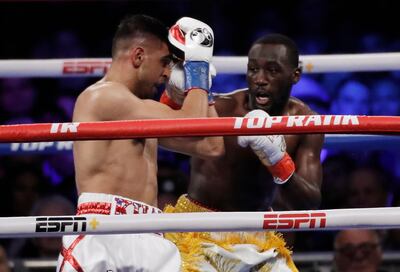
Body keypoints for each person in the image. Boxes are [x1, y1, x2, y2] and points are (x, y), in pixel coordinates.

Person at [57, 15, 224, 272]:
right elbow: (192, 122)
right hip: (104, 230)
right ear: (138, 57)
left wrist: (205, 92)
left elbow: (211, 146)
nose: (168, 72)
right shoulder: (102, 96)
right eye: (165, 62)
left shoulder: (141, 110)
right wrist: (197, 68)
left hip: (151, 232)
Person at [164, 34, 324, 271]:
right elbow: (162, 129)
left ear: (295, 75)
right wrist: (172, 92)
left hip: (259, 234)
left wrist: (277, 160)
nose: (260, 79)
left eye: (272, 70)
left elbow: (310, 203)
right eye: (253, 69)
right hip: (198, 231)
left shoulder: (305, 123)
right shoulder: (221, 108)